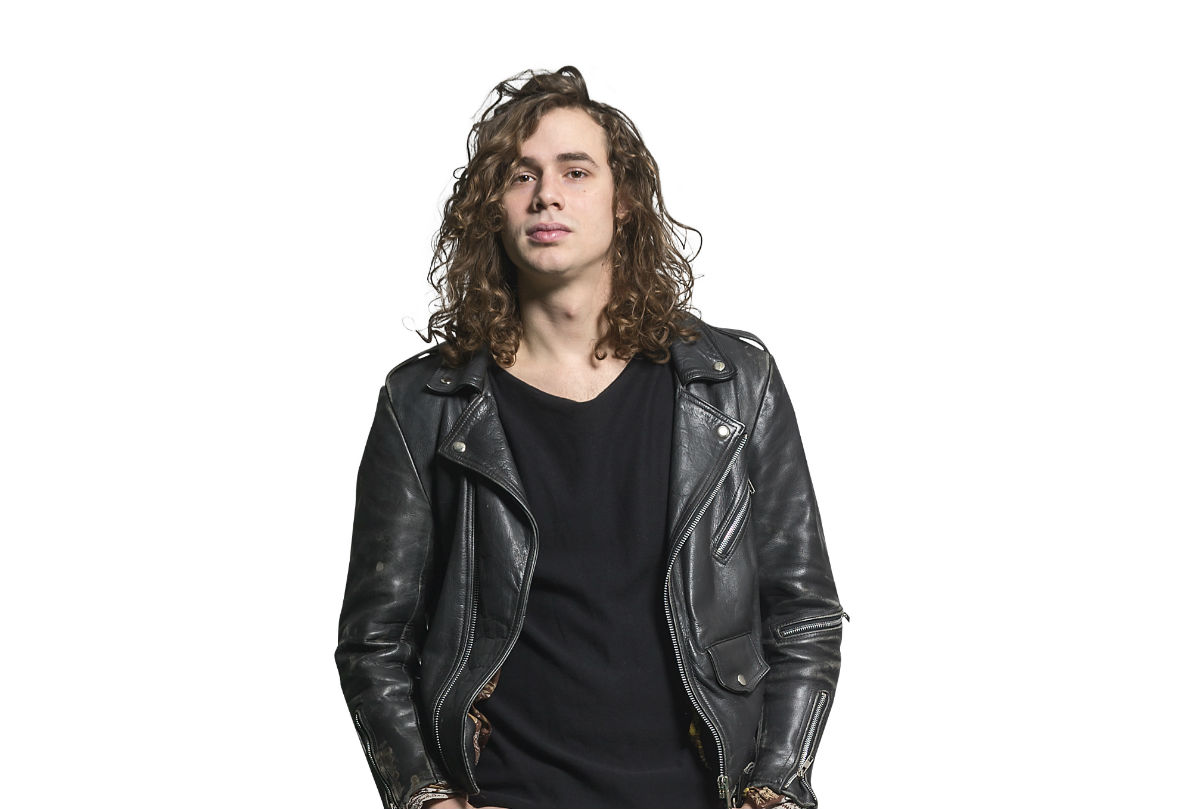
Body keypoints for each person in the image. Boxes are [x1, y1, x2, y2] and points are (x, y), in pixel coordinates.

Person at [334, 66, 846, 809]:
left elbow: (802, 613)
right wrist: (426, 795)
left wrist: (775, 784)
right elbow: (376, 639)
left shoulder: (734, 383)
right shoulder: (424, 403)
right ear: (492, 207)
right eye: (520, 175)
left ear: (623, 201)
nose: (547, 194)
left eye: (575, 171)